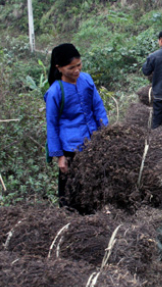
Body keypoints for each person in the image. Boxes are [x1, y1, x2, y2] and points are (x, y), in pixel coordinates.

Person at [44, 43, 109, 207]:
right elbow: (52, 125)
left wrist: (106, 134)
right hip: (70, 148)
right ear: (59, 68)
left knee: (92, 186)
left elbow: (98, 108)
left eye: (79, 65)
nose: (77, 71)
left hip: (92, 143)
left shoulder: (86, 80)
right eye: (71, 67)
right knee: (69, 193)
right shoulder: (55, 92)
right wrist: (60, 157)